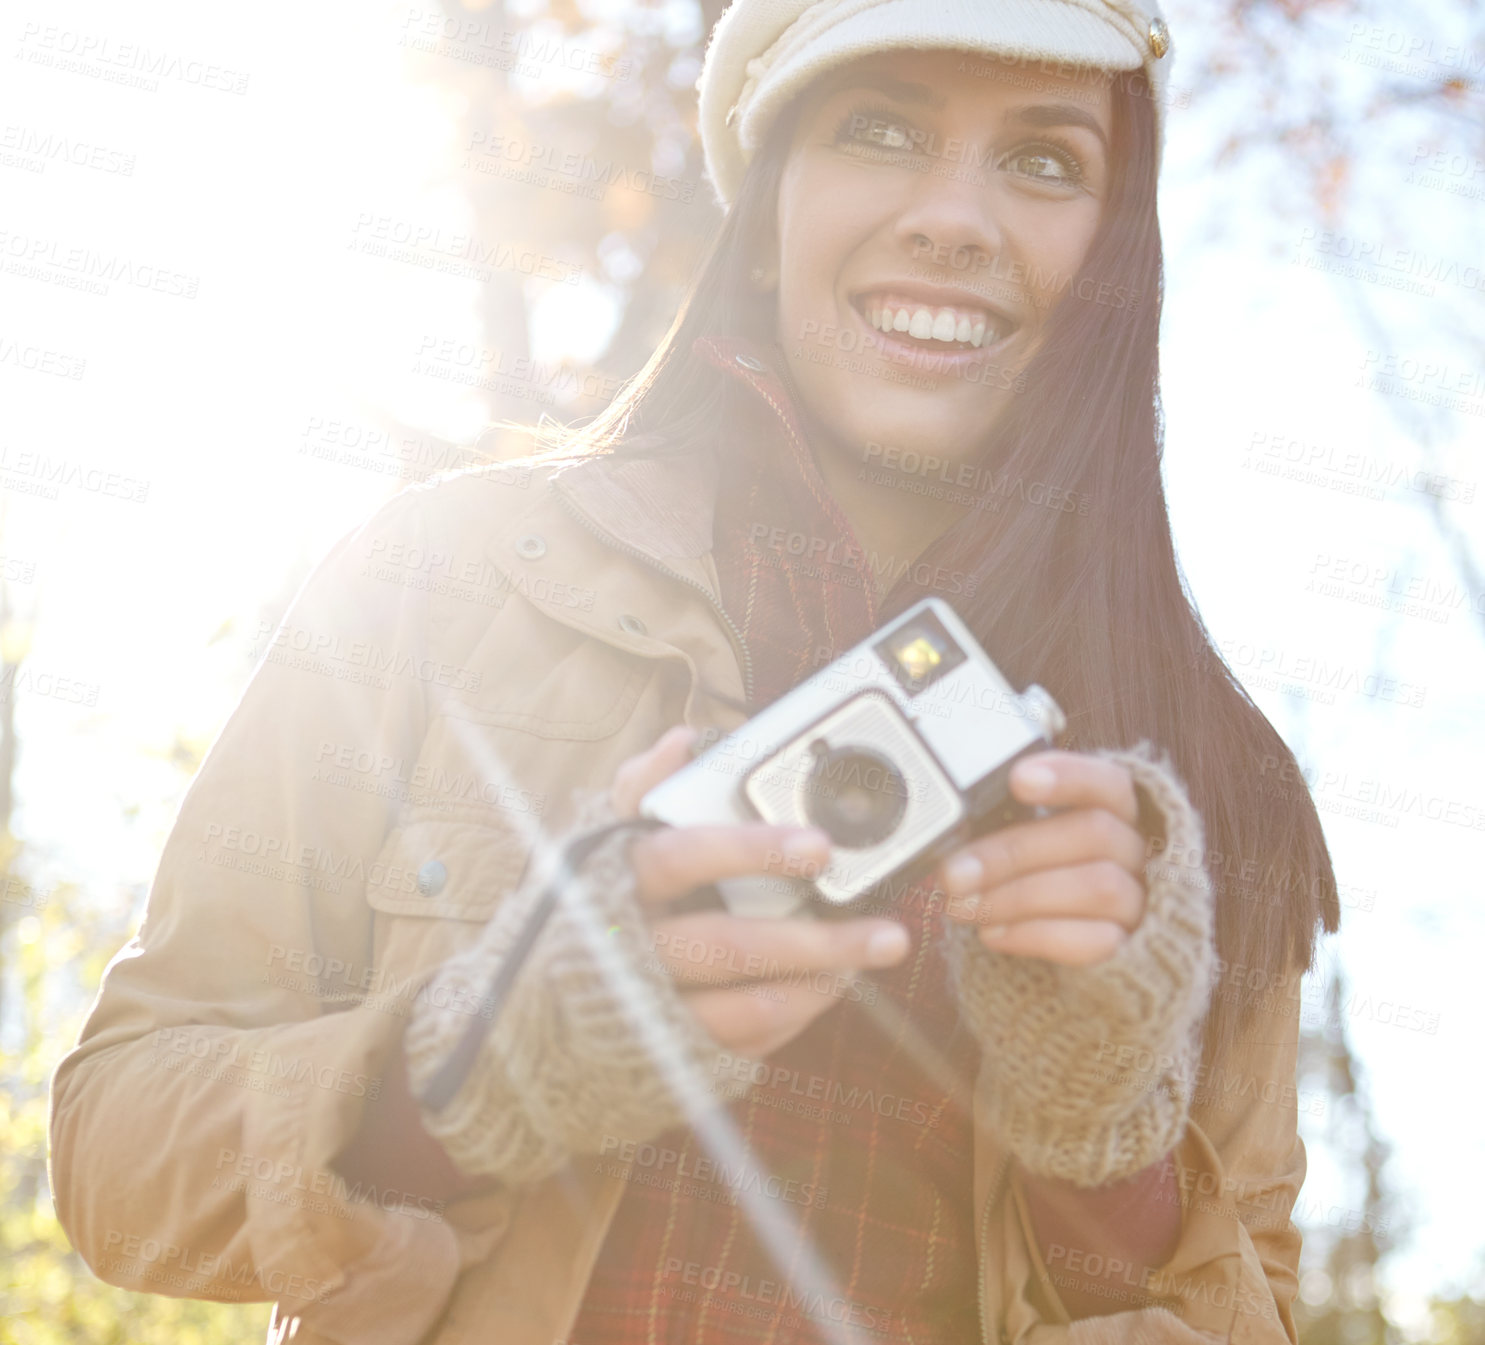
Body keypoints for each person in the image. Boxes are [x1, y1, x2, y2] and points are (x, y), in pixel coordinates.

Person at [50, 1, 1339, 1343]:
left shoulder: (1203, 770)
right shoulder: (441, 573)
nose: (955, 217)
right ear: (765, 209)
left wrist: (1102, 1125)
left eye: (1043, 161)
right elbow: (114, 1158)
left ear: (1111, 260)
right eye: (881, 129)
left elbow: (1254, 1311)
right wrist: (476, 1067)